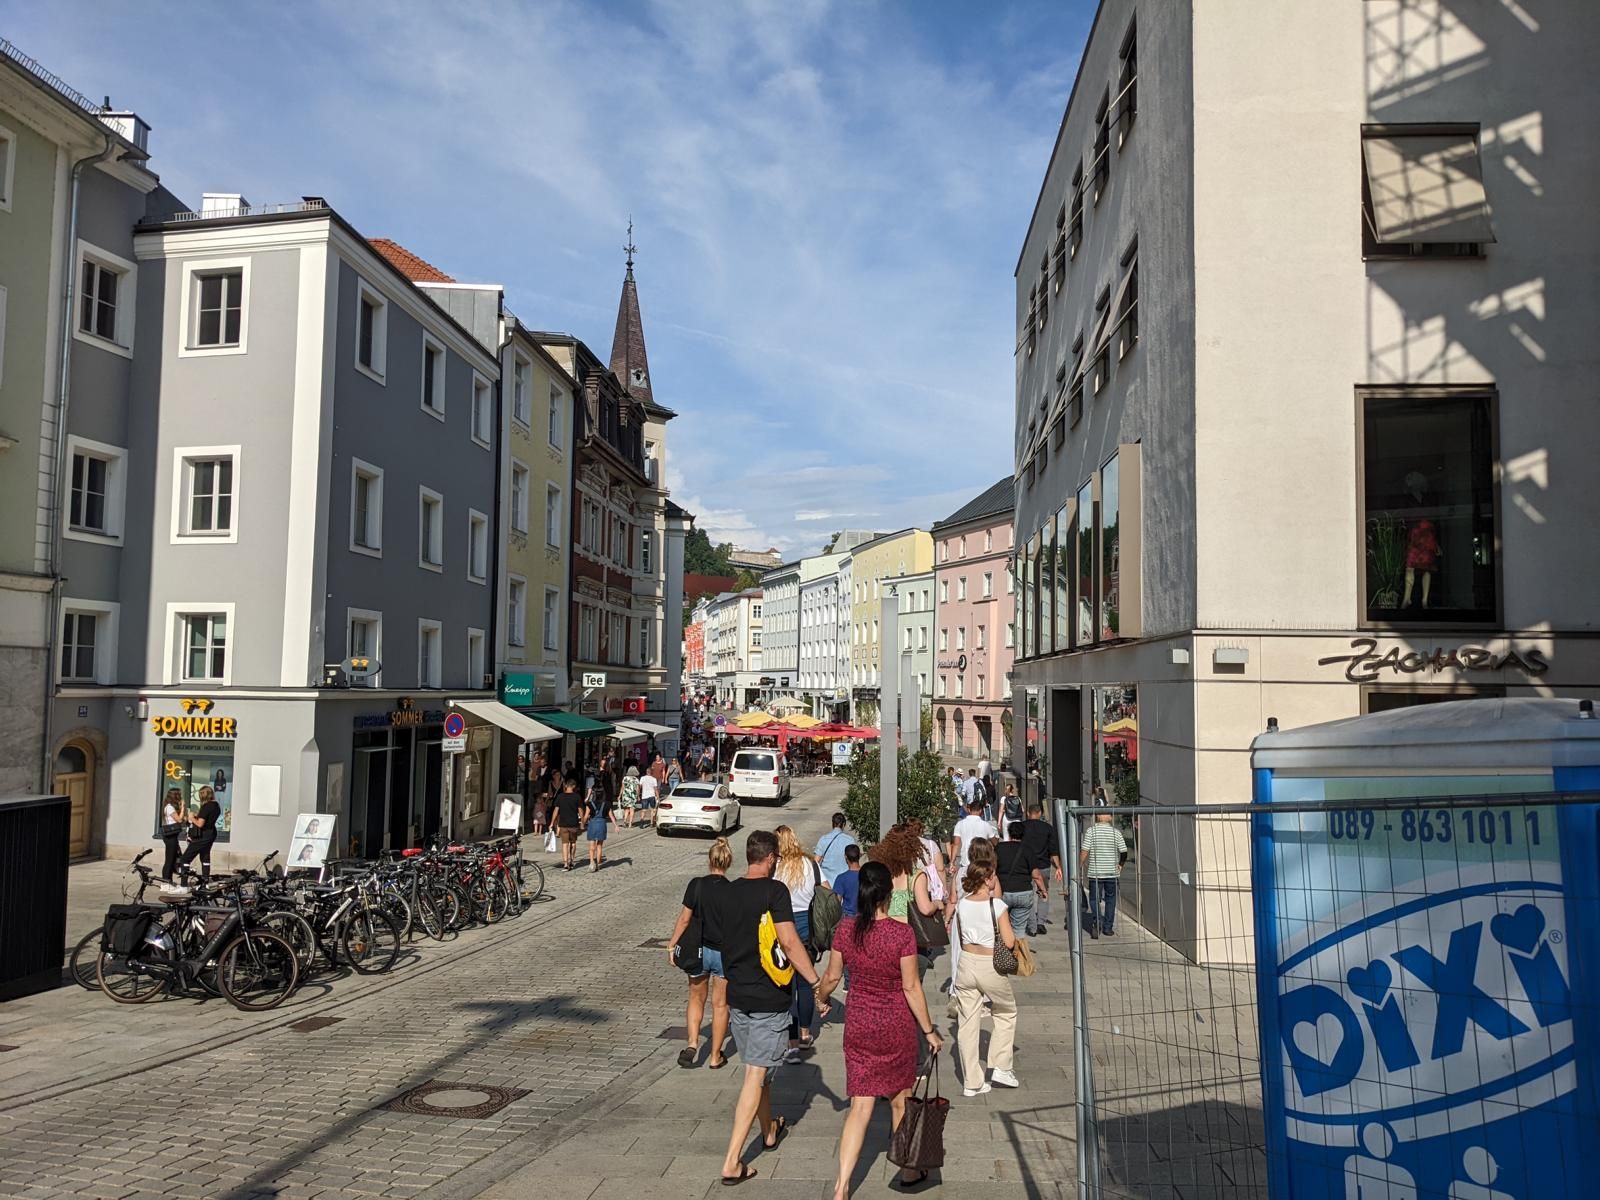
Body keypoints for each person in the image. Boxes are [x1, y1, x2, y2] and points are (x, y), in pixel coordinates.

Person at [699, 829, 826, 1186]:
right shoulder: (774, 891)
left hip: (738, 996)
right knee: (755, 1075)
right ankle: (732, 1161)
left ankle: (769, 1130)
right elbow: (789, 941)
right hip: (769, 998)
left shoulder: (728, 892)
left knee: (760, 1070)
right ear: (770, 859)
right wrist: (815, 983)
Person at [815, 862, 944, 1197]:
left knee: (860, 1107)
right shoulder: (902, 934)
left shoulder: (847, 929)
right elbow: (911, 987)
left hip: (859, 1023)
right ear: (889, 894)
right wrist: (929, 1030)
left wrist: (821, 998)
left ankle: (842, 1186)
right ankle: (909, 1169)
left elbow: (831, 976)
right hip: (895, 1025)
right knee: (900, 1100)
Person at [952, 850, 1020, 1096]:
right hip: (989, 964)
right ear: (987, 879)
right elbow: (1009, 942)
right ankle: (1000, 1066)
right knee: (1006, 1011)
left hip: (966, 963)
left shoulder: (962, 904)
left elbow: (960, 936)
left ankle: (972, 1082)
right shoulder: (997, 905)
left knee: (967, 1022)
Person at [668, 838, 734, 1069]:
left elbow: (685, 919)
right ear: (728, 862)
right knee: (720, 1004)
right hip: (723, 952)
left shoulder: (696, 885)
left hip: (699, 950)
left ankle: (693, 1043)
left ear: (709, 860)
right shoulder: (733, 890)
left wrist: (672, 945)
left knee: (696, 997)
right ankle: (715, 1056)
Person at [774, 825, 827, 1059]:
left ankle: (791, 1040)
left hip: (782, 929)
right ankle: (805, 1033)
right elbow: (827, 891)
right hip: (808, 930)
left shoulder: (775, 867)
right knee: (805, 985)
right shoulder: (810, 865)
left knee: (787, 987)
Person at [1080, 811, 1129, 938]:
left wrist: (1079, 865)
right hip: (1112, 872)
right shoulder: (1116, 832)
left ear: (1097, 817)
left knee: (1094, 898)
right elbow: (1124, 852)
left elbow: (1085, 851)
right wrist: (1120, 865)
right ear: (1110, 818)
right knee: (1110, 899)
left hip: (1095, 873)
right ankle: (1108, 928)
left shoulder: (1091, 831)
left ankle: (1097, 921)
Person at [1021, 802, 1063, 933]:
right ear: (1040, 813)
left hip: (1026, 866)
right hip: (1043, 865)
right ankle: (1040, 922)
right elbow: (1053, 850)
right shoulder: (1048, 828)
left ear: (1028, 813)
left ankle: (1031, 923)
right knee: (1043, 893)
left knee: (1028, 894)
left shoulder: (1022, 827)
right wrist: (1058, 867)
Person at [996, 821, 1041, 936]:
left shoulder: (999, 848)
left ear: (1009, 833)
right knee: (1019, 929)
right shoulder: (1028, 849)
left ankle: (1005, 946)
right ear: (1023, 834)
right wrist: (1043, 890)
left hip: (1003, 892)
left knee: (1001, 927)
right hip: (1023, 891)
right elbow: (1036, 875)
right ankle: (1018, 946)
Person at [178, 785, 221, 880]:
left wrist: (191, 817)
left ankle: (183, 885)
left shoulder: (206, 807)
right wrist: (197, 815)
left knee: (185, 859)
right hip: (211, 833)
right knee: (205, 857)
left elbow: (200, 824)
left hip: (202, 835)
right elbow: (208, 818)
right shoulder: (216, 806)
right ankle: (205, 881)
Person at [814, 812, 858, 886]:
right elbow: (855, 863)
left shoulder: (823, 839)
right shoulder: (850, 840)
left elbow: (816, 862)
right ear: (844, 824)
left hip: (827, 884)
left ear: (833, 824)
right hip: (844, 882)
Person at [584, 773, 614, 871]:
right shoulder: (607, 804)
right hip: (602, 824)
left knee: (592, 845)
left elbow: (586, 816)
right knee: (599, 845)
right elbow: (611, 815)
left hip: (593, 823)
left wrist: (582, 823)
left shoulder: (590, 804)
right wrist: (615, 825)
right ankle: (598, 863)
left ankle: (591, 862)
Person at [553, 779, 583, 872]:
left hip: (563, 823)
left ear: (566, 786)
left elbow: (556, 811)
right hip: (574, 823)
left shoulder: (560, 796)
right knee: (573, 843)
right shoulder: (577, 797)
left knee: (565, 844)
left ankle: (566, 864)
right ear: (574, 786)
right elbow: (580, 810)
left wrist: (552, 822)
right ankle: (571, 861)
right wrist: (582, 822)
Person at [159, 787, 187, 881]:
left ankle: (169, 880)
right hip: (170, 836)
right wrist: (182, 807)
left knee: (173, 858)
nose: (180, 797)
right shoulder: (169, 807)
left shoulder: (170, 807)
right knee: (170, 860)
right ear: (175, 796)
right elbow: (179, 820)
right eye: (179, 795)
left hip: (173, 835)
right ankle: (165, 881)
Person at [834, 844, 862, 918]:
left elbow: (837, 902)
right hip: (864, 916)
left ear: (845, 857)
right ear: (859, 855)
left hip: (848, 916)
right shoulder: (867, 875)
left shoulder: (841, 878)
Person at [619, 763, 641, 829]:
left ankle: (625, 821)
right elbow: (637, 789)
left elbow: (622, 787)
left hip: (625, 795)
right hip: (633, 795)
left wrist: (620, 795)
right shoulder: (636, 779)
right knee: (632, 809)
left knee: (626, 809)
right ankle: (630, 823)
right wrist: (638, 796)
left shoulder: (625, 778)